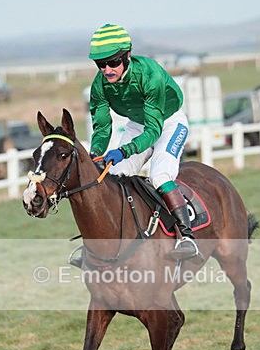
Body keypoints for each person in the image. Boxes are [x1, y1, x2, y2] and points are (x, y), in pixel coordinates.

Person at [76, 23, 199, 266]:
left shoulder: (150, 74)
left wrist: (124, 150)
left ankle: (187, 237)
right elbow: (102, 127)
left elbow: (154, 131)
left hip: (168, 124)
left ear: (127, 56)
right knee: (113, 177)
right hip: (137, 124)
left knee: (160, 175)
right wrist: (95, 154)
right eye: (101, 64)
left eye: (113, 62)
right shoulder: (99, 86)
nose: (107, 70)